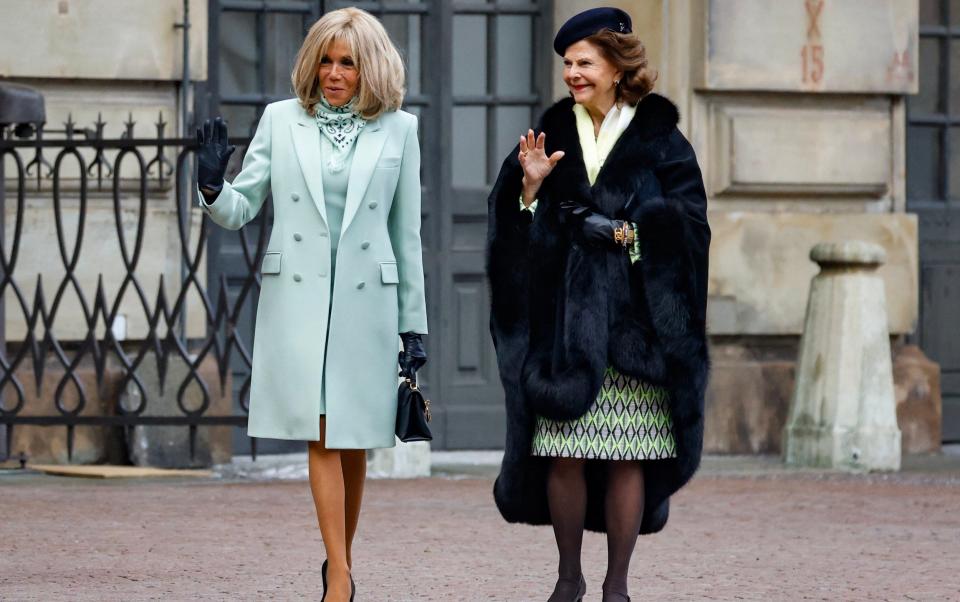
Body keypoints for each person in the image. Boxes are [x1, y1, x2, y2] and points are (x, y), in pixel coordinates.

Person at [195, 8, 428, 601]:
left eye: (347, 62)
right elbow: (241, 208)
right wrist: (212, 186)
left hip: (366, 306)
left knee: (354, 437)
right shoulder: (281, 120)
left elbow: (407, 237)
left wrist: (413, 327)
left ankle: (337, 562)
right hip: (298, 300)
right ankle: (341, 577)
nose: (333, 73)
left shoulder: (400, 129)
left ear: (369, 67)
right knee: (321, 433)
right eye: (325, 59)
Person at [486, 7, 711, 602]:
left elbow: (692, 226)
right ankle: (568, 577)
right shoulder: (548, 137)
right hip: (564, 329)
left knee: (626, 457)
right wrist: (530, 192)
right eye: (567, 64)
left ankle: (617, 584)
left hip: (635, 330)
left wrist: (626, 232)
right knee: (562, 455)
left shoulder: (662, 140)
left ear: (616, 67)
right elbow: (508, 230)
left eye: (584, 62)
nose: (572, 74)